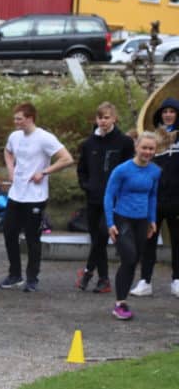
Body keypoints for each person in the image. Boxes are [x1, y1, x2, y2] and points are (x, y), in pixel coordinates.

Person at [0, 102, 74, 292]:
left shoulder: (44, 138)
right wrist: (10, 169)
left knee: (32, 237)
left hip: (35, 196)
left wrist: (45, 172)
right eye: (15, 118)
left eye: (19, 119)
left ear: (30, 118)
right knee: (9, 233)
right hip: (16, 194)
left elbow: (67, 158)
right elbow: (7, 151)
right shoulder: (14, 136)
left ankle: (32, 278)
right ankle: (14, 274)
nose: (16, 122)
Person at [75, 102, 134, 294]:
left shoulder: (124, 142)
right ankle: (103, 279)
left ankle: (88, 272)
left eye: (107, 117)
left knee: (102, 235)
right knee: (96, 239)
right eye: (100, 117)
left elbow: (129, 169)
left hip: (115, 200)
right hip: (94, 198)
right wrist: (87, 186)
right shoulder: (89, 143)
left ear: (114, 118)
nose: (103, 121)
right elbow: (81, 169)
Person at [104, 131, 160, 320]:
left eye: (151, 149)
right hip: (123, 219)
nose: (147, 151)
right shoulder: (122, 170)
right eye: (144, 147)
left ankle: (122, 300)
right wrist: (110, 223)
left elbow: (152, 196)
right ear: (137, 147)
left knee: (133, 260)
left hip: (142, 220)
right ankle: (120, 304)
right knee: (128, 258)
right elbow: (109, 195)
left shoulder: (155, 171)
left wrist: (152, 220)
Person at [131, 97, 179, 298]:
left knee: (177, 241)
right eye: (165, 111)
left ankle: (176, 280)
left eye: (172, 111)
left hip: (177, 200)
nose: (168, 115)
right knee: (148, 240)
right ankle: (145, 281)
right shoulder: (153, 140)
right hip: (154, 200)